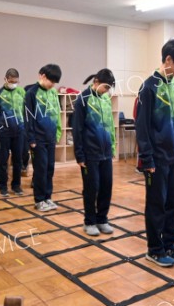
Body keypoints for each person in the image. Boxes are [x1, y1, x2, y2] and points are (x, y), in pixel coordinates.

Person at [136, 39, 174, 268]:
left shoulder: (173, 84)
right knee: (156, 204)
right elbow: (143, 126)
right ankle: (154, 249)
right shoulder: (149, 87)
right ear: (167, 59)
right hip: (156, 158)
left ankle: (169, 244)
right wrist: (147, 158)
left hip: (173, 156)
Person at [73, 69, 116, 236]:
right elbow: (77, 129)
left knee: (107, 187)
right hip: (90, 153)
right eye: (106, 87)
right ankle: (89, 221)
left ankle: (102, 219)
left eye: (109, 88)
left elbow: (110, 125)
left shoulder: (105, 99)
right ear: (96, 82)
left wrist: (112, 146)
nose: (107, 91)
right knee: (92, 188)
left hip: (106, 153)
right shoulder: (83, 99)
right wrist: (79, 154)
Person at [25, 64, 62, 212]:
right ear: (42, 76)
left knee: (49, 169)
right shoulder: (31, 93)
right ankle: (39, 200)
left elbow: (57, 113)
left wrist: (57, 133)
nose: (52, 85)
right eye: (51, 81)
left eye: (55, 83)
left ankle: (48, 197)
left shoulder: (52, 92)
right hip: (38, 139)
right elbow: (28, 117)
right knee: (40, 169)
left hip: (50, 137)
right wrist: (31, 139)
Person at [0, 68, 26, 197]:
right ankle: (2, 186)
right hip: (4, 133)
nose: (13, 83)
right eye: (11, 81)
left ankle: (16, 185)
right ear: (5, 79)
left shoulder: (22, 92)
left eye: (16, 81)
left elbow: (26, 111)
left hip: (19, 132)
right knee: (3, 160)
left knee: (18, 160)